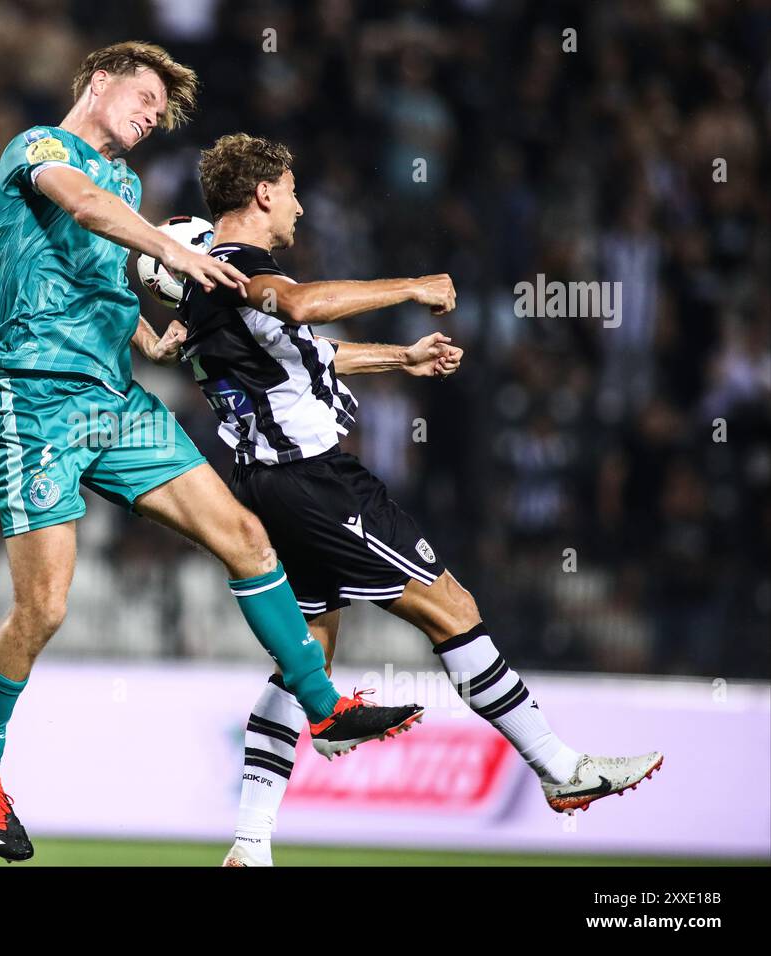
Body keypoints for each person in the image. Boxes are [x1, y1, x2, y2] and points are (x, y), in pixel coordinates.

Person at [0, 44, 424, 863]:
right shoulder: (38, 150)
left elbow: (101, 275)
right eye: (143, 97)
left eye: (159, 112)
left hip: (115, 404)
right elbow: (87, 209)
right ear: (98, 83)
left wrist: (148, 334)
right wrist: (172, 251)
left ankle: (323, 708)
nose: (149, 117)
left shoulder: (128, 189)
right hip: (35, 401)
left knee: (247, 538)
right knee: (45, 609)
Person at [175, 133, 663, 867]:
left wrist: (400, 357)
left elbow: (304, 359)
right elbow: (304, 309)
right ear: (265, 193)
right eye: (294, 189)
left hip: (267, 485)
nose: (302, 206)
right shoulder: (247, 271)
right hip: (316, 484)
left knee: (307, 658)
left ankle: (250, 841)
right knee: (453, 608)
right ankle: (560, 770)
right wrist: (409, 287)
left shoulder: (210, 284)